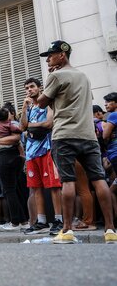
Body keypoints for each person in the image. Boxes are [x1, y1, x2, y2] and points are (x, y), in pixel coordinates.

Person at [37, 40, 117, 244]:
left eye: (51, 55)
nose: (48, 59)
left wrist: (48, 83)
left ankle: (67, 230)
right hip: (88, 135)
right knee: (99, 180)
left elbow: (42, 102)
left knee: (68, 181)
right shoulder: (83, 76)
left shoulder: (56, 75)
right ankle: (110, 230)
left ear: (62, 55)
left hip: (64, 135)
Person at [20, 78, 63, 235]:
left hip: (46, 150)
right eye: (27, 88)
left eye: (32, 87)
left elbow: (48, 123)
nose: (29, 90)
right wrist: (24, 109)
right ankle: (42, 221)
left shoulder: (48, 103)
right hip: (31, 153)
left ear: (40, 88)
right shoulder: (29, 107)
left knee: (53, 186)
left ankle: (58, 219)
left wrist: (30, 126)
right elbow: (21, 126)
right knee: (36, 187)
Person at [0, 108, 28, 231]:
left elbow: (16, 138)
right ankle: (23, 220)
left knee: (9, 190)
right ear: (9, 116)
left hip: (5, 156)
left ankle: (15, 222)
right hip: (15, 156)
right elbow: (19, 135)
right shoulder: (11, 125)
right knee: (15, 189)